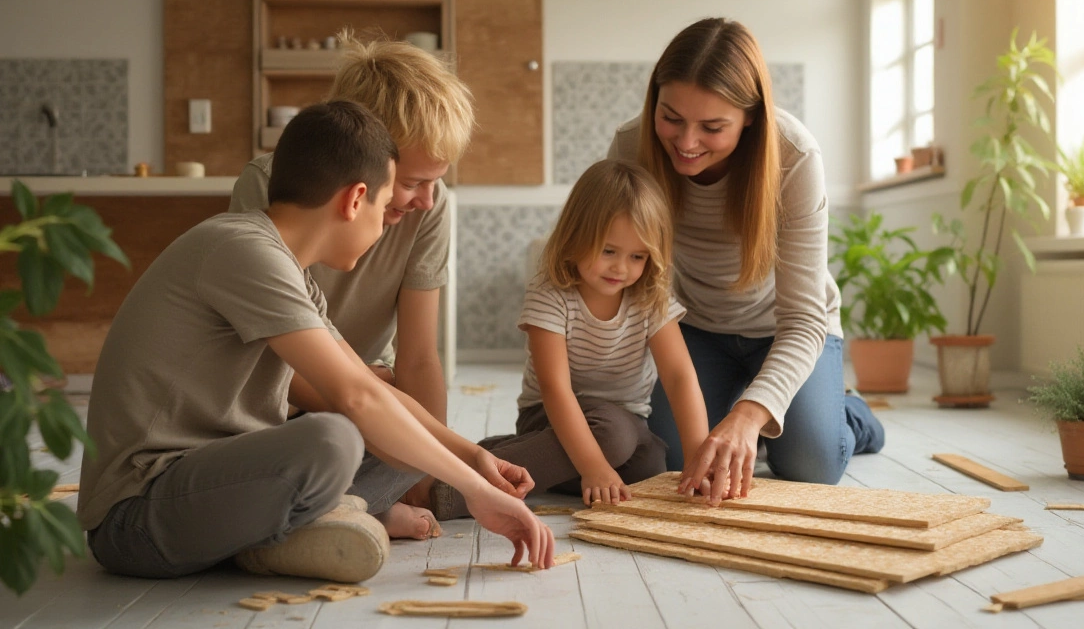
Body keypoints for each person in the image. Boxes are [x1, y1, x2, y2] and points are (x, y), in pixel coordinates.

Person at [78, 102, 554, 585]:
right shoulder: (243, 250)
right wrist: (472, 488)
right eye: (386, 204)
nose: (389, 223)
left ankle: (317, 521)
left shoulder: (291, 270)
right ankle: (291, 535)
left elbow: (375, 392)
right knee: (335, 438)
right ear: (355, 199)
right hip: (136, 517)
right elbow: (355, 397)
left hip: (219, 486)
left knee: (407, 445)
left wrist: (470, 461)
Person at [609, 17, 885, 504]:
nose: (687, 142)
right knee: (673, 463)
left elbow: (803, 319)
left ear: (751, 115)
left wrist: (748, 416)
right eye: (671, 117)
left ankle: (851, 415)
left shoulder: (795, 158)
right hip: (694, 331)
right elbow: (633, 284)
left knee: (811, 466)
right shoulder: (631, 148)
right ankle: (751, 408)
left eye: (712, 127)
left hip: (789, 332)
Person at [230, 33, 471, 537]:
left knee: (406, 441)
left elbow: (420, 357)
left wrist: (424, 469)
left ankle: (334, 509)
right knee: (346, 434)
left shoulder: (433, 207)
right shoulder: (269, 187)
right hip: (277, 397)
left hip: (359, 393)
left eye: (436, 181)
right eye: (410, 182)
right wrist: (364, 393)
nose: (427, 199)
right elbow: (263, 362)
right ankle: (347, 511)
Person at [429, 159, 712, 516]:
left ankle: (511, 454)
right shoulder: (551, 294)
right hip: (549, 415)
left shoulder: (650, 298)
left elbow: (679, 376)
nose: (621, 268)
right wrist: (594, 466)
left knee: (650, 465)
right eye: (609, 251)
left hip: (625, 422)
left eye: (637, 256)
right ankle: (449, 486)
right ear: (577, 235)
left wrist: (698, 459)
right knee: (611, 439)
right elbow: (555, 388)